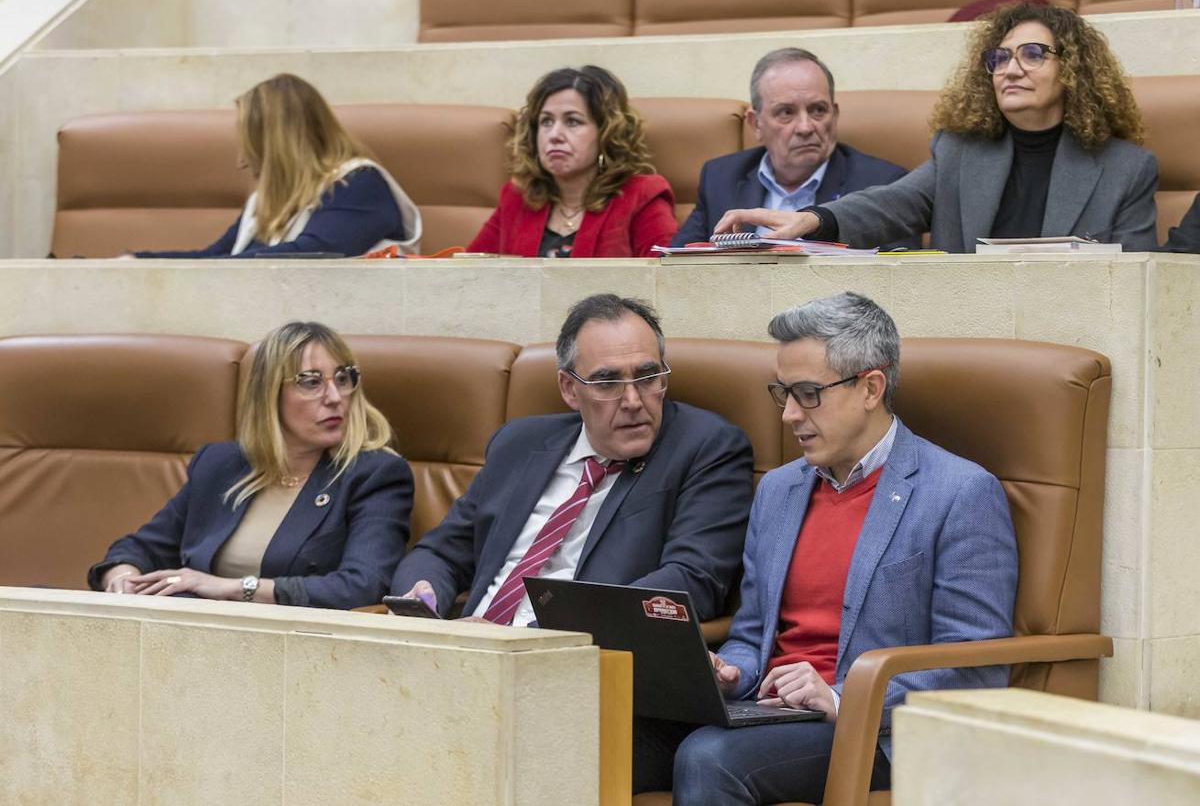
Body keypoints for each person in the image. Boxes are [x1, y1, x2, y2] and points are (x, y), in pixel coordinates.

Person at [662, 292, 1018, 804]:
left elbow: (975, 664)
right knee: (605, 729)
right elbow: (752, 633)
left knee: (709, 757)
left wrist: (839, 696)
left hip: (881, 731)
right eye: (782, 393)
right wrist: (731, 672)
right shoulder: (779, 491)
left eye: (808, 393)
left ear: (871, 387)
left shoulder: (960, 493)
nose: (788, 415)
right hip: (770, 713)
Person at [391, 293, 752, 627]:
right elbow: (442, 551)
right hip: (465, 652)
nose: (632, 400)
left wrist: (532, 637)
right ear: (568, 388)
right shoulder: (518, 444)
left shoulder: (706, 447)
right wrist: (422, 597)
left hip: (585, 659)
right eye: (608, 382)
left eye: (647, 377)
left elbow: (690, 581)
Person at [716, 3, 1158, 252]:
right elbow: (890, 205)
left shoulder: (1126, 169)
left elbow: (1136, 282)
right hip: (966, 333)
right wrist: (813, 219)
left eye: (1033, 54)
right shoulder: (959, 151)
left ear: (1073, 69)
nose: (1010, 69)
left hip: (1071, 340)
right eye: (1000, 58)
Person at [89, 321, 413, 609]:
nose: (334, 396)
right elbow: (142, 546)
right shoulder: (221, 465)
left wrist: (230, 588)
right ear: (269, 395)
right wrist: (122, 575)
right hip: (191, 635)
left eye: (343, 379)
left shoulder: (373, 475)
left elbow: (363, 584)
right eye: (311, 382)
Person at [131, 73, 421, 258]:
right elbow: (215, 256)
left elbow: (311, 256)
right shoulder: (269, 199)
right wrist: (135, 262)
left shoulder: (359, 184)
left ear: (276, 147)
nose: (242, 161)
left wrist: (223, 268)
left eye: (251, 145)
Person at [671, 48, 913, 248]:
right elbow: (674, 265)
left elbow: (898, 285)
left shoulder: (884, 184)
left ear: (835, 115)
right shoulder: (720, 177)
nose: (806, 127)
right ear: (756, 124)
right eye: (786, 112)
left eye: (818, 110)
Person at [466, 66, 677, 258]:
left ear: (607, 133)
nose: (555, 135)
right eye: (546, 121)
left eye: (572, 121)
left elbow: (664, 280)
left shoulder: (642, 196)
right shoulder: (518, 197)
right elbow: (471, 274)